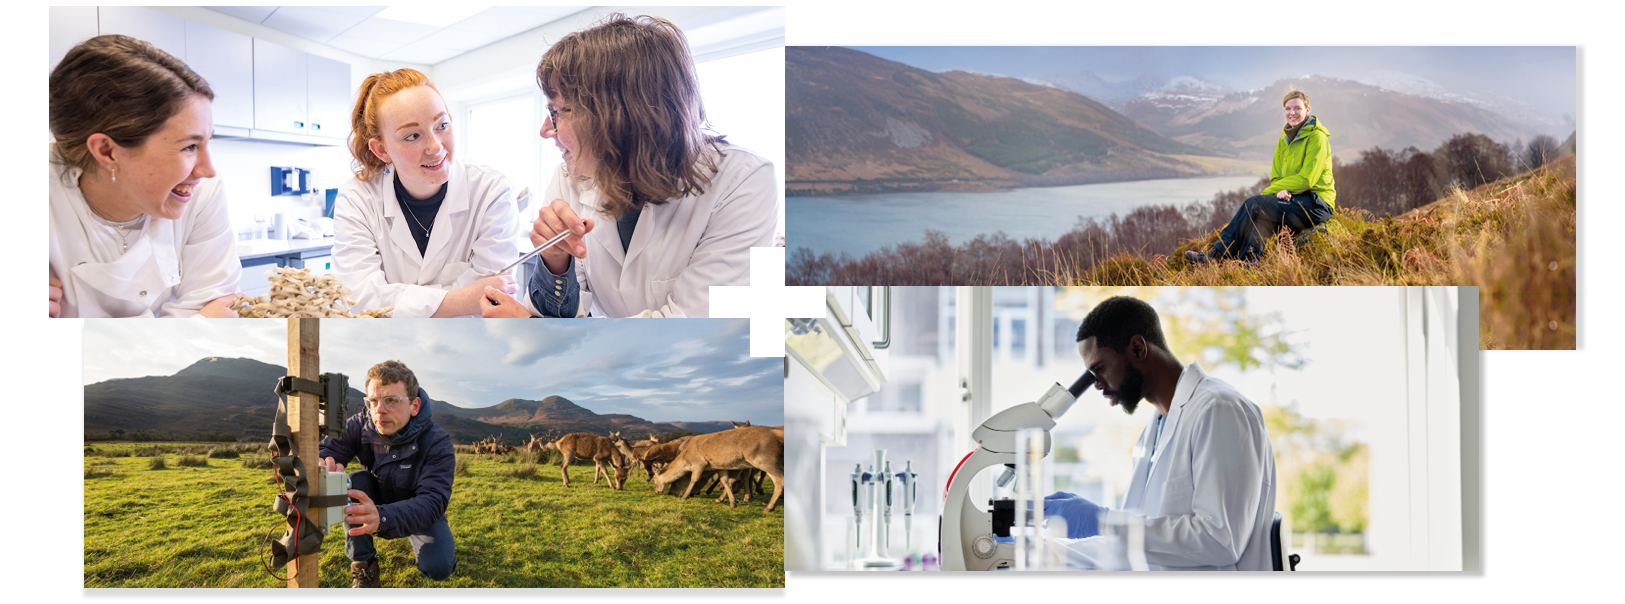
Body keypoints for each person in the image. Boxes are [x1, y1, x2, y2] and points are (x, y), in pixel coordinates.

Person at [481, 14, 776, 318]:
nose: (546, 130)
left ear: (613, 114)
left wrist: (535, 331)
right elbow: (561, 315)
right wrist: (556, 262)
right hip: (600, 359)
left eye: (557, 111)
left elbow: (689, 331)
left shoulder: (743, 181)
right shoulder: (573, 176)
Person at [1047, 296, 1277, 571]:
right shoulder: (1152, 433)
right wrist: (1031, 551)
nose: (1096, 384)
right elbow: (1132, 546)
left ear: (1137, 348)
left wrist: (1103, 520)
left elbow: (1220, 541)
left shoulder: (1218, 408)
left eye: (1099, 368)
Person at [47, 35, 243, 318]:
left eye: (206, 142)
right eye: (189, 146)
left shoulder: (204, 190)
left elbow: (215, 309)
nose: (207, 170)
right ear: (107, 152)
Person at [331, 69, 519, 318]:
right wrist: (464, 299)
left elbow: (496, 297)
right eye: (412, 136)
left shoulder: (491, 190)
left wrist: (402, 302)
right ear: (381, 150)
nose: (435, 146)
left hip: (471, 346)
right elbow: (358, 298)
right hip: (388, 345)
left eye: (442, 125)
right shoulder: (358, 198)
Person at [319, 360, 456, 587]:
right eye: (373, 401)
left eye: (391, 401)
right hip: (376, 494)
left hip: (420, 507)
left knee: (439, 568)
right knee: (355, 481)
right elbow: (330, 448)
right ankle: (364, 567)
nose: (379, 410)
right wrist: (322, 463)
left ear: (414, 406)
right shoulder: (361, 425)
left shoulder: (437, 442)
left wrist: (382, 517)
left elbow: (433, 500)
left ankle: (426, 538)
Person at [1187, 89, 1337, 264]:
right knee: (1260, 216)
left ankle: (1217, 254)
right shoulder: (1284, 140)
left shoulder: (1317, 137)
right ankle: (1248, 264)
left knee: (1255, 204)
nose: (1292, 113)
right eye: (1288, 109)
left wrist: (1270, 192)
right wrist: (1281, 191)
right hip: (1296, 198)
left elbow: (1306, 179)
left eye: (1297, 108)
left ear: (1307, 110)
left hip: (1317, 204)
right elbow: (1276, 177)